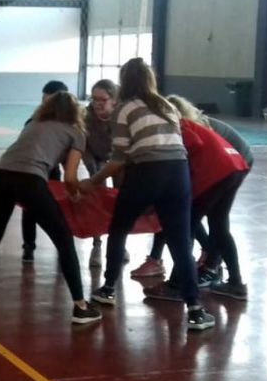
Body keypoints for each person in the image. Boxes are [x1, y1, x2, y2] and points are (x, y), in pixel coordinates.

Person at [83, 58, 215, 331]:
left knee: (119, 227)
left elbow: (118, 158)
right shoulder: (166, 105)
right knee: (180, 240)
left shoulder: (125, 108)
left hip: (147, 172)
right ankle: (195, 310)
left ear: (125, 81)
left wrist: (93, 182)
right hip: (178, 173)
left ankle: (108, 288)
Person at [0, 91, 101, 325]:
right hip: (30, 180)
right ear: (75, 112)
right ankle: (81, 306)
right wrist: (75, 194)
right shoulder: (76, 132)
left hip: (2, 175)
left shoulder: (34, 123)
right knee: (63, 239)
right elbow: (70, 176)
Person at [133, 98, 253, 282]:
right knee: (202, 219)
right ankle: (232, 280)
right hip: (230, 166)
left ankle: (194, 274)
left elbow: (187, 166)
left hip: (232, 161)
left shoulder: (187, 130)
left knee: (191, 219)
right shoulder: (186, 128)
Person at [20, 80, 69, 264]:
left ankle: (62, 244)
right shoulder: (33, 122)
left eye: (49, 101)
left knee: (58, 208)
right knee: (29, 208)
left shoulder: (69, 124)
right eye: (43, 100)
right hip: (32, 170)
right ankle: (28, 246)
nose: (44, 104)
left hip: (52, 170)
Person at [81, 79, 117, 268]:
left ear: (114, 100)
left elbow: (124, 148)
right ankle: (97, 244)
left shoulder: (121, 115)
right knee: (98, 199)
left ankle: (118, 243)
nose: (97, 103)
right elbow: (82, 147)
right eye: (94, 99)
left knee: (121, 199)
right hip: (94, 156)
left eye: (102, 99)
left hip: (118, 158)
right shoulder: (86, 116)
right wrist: (95, 174)